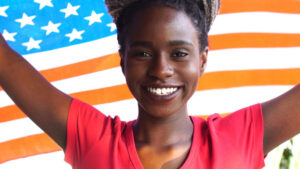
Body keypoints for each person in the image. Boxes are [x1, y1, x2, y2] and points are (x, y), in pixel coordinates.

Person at [0, 0, 299, 168]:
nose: (161, 70)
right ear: (122, 60)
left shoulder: (239, 139)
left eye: (179, 53)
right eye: (143, 53)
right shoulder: (93, 140)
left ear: (203, 59)